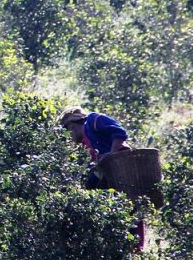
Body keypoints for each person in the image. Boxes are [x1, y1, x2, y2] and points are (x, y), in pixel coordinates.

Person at [57, 106, 144, 248]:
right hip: (110, 177)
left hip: (123, 168)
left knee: (133, 209)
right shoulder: (83, 145)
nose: (70, 139)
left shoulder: (93, 121)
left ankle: (137, 249)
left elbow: (119, 132)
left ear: (71, 126)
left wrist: (111, 154)